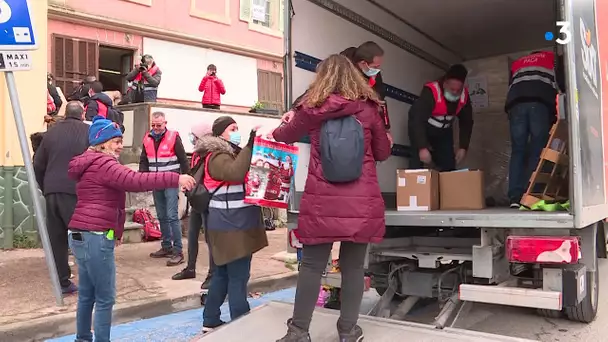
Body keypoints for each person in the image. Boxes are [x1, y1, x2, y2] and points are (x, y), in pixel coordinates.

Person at [272, 54, 391, 342]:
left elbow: (282, 135)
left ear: (322, 78)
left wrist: (288, 117)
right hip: (361, 203)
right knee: (352, 268)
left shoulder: (311, 109)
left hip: (321, 201)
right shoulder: (369, 109)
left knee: (312, 266)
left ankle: (298, 332)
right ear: (354, 76)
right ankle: (348, 331)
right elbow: (383, 153)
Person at [67, 115, 195, 342]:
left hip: (80, 233)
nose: (120, 146)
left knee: (87, 294)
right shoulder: (105, 164)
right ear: (103, 143)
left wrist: (115, 233)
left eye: (121, 141)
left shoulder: (89, 163)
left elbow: (113, 200)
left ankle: (83, 338)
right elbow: (137, 181)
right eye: (116, 141)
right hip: (95, 236)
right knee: (105, 298)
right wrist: (175, 178)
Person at [201, 116, 268, 333]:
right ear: (220, 133)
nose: (236, 131)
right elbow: (236, 172)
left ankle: (210, 319)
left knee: (223, 274)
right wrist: (250, 143)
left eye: (237, 128)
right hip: (230, 226)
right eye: (232, 128)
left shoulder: (229, 154)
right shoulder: (217, 156)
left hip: (231, 224)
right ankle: (241, 323)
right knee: (238, 277)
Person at [285, 42, 393, 144]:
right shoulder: (342, 67)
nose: (378, 70)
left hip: (358, 128)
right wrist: (294, 109)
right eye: (375, 67)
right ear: (364, 63)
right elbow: (318, 89)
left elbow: (380, 100)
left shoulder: (374, 75)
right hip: (333, 127)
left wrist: (386, 129)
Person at [34, 101, 90, 294]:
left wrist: (45, 188)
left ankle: (62, 282)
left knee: (57, 238)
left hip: (52, 191)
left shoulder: (51, 133)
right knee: (82, 235)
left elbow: (38, 164)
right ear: (82, 114)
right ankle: (89, 279)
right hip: (76, 191)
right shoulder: (88, 132)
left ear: (65, 114)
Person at [505, 50, 561, 208]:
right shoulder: (551, 59)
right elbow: (562, 85)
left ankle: (515, 198)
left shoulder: (518, 62)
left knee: (518, 150)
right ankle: (531, 195)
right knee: (537, 149)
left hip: (516, 105)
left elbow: (511, 85)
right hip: (539, 103)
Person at [140, 111, 190, 265]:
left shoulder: (173, 137)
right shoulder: (147, 138)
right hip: (156, 181)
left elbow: (183, 159)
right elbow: (144, 160)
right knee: (161, 215)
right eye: (153, 125)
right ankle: (166, 246)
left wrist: (186, 179)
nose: (156, 128)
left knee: (172, 215)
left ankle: (178, 251)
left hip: (170, 181)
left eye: (159, 125)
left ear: (165, 123)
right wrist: (142, 178)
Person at [172, 121, 217, 290]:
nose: (192, 138)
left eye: (194, 135)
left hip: (207, 199)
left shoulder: (212, 154)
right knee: (192, 235)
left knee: (209, 239)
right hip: (196, 198)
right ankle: (190, 268)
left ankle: (212, 274)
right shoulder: (198, 153)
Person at [408, 64, 474, 171]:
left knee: (448, 164)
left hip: (444, 131)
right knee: (417, 161)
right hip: (424, 128)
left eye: (458, 90)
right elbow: (417, 119)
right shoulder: (431, 91)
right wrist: (422, 147)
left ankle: (444, 186)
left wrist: (463, 147)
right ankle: (415, 186)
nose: (455, 92)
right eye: (452, 89)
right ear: (445, 83)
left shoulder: (464, 96)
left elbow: (467, 122)